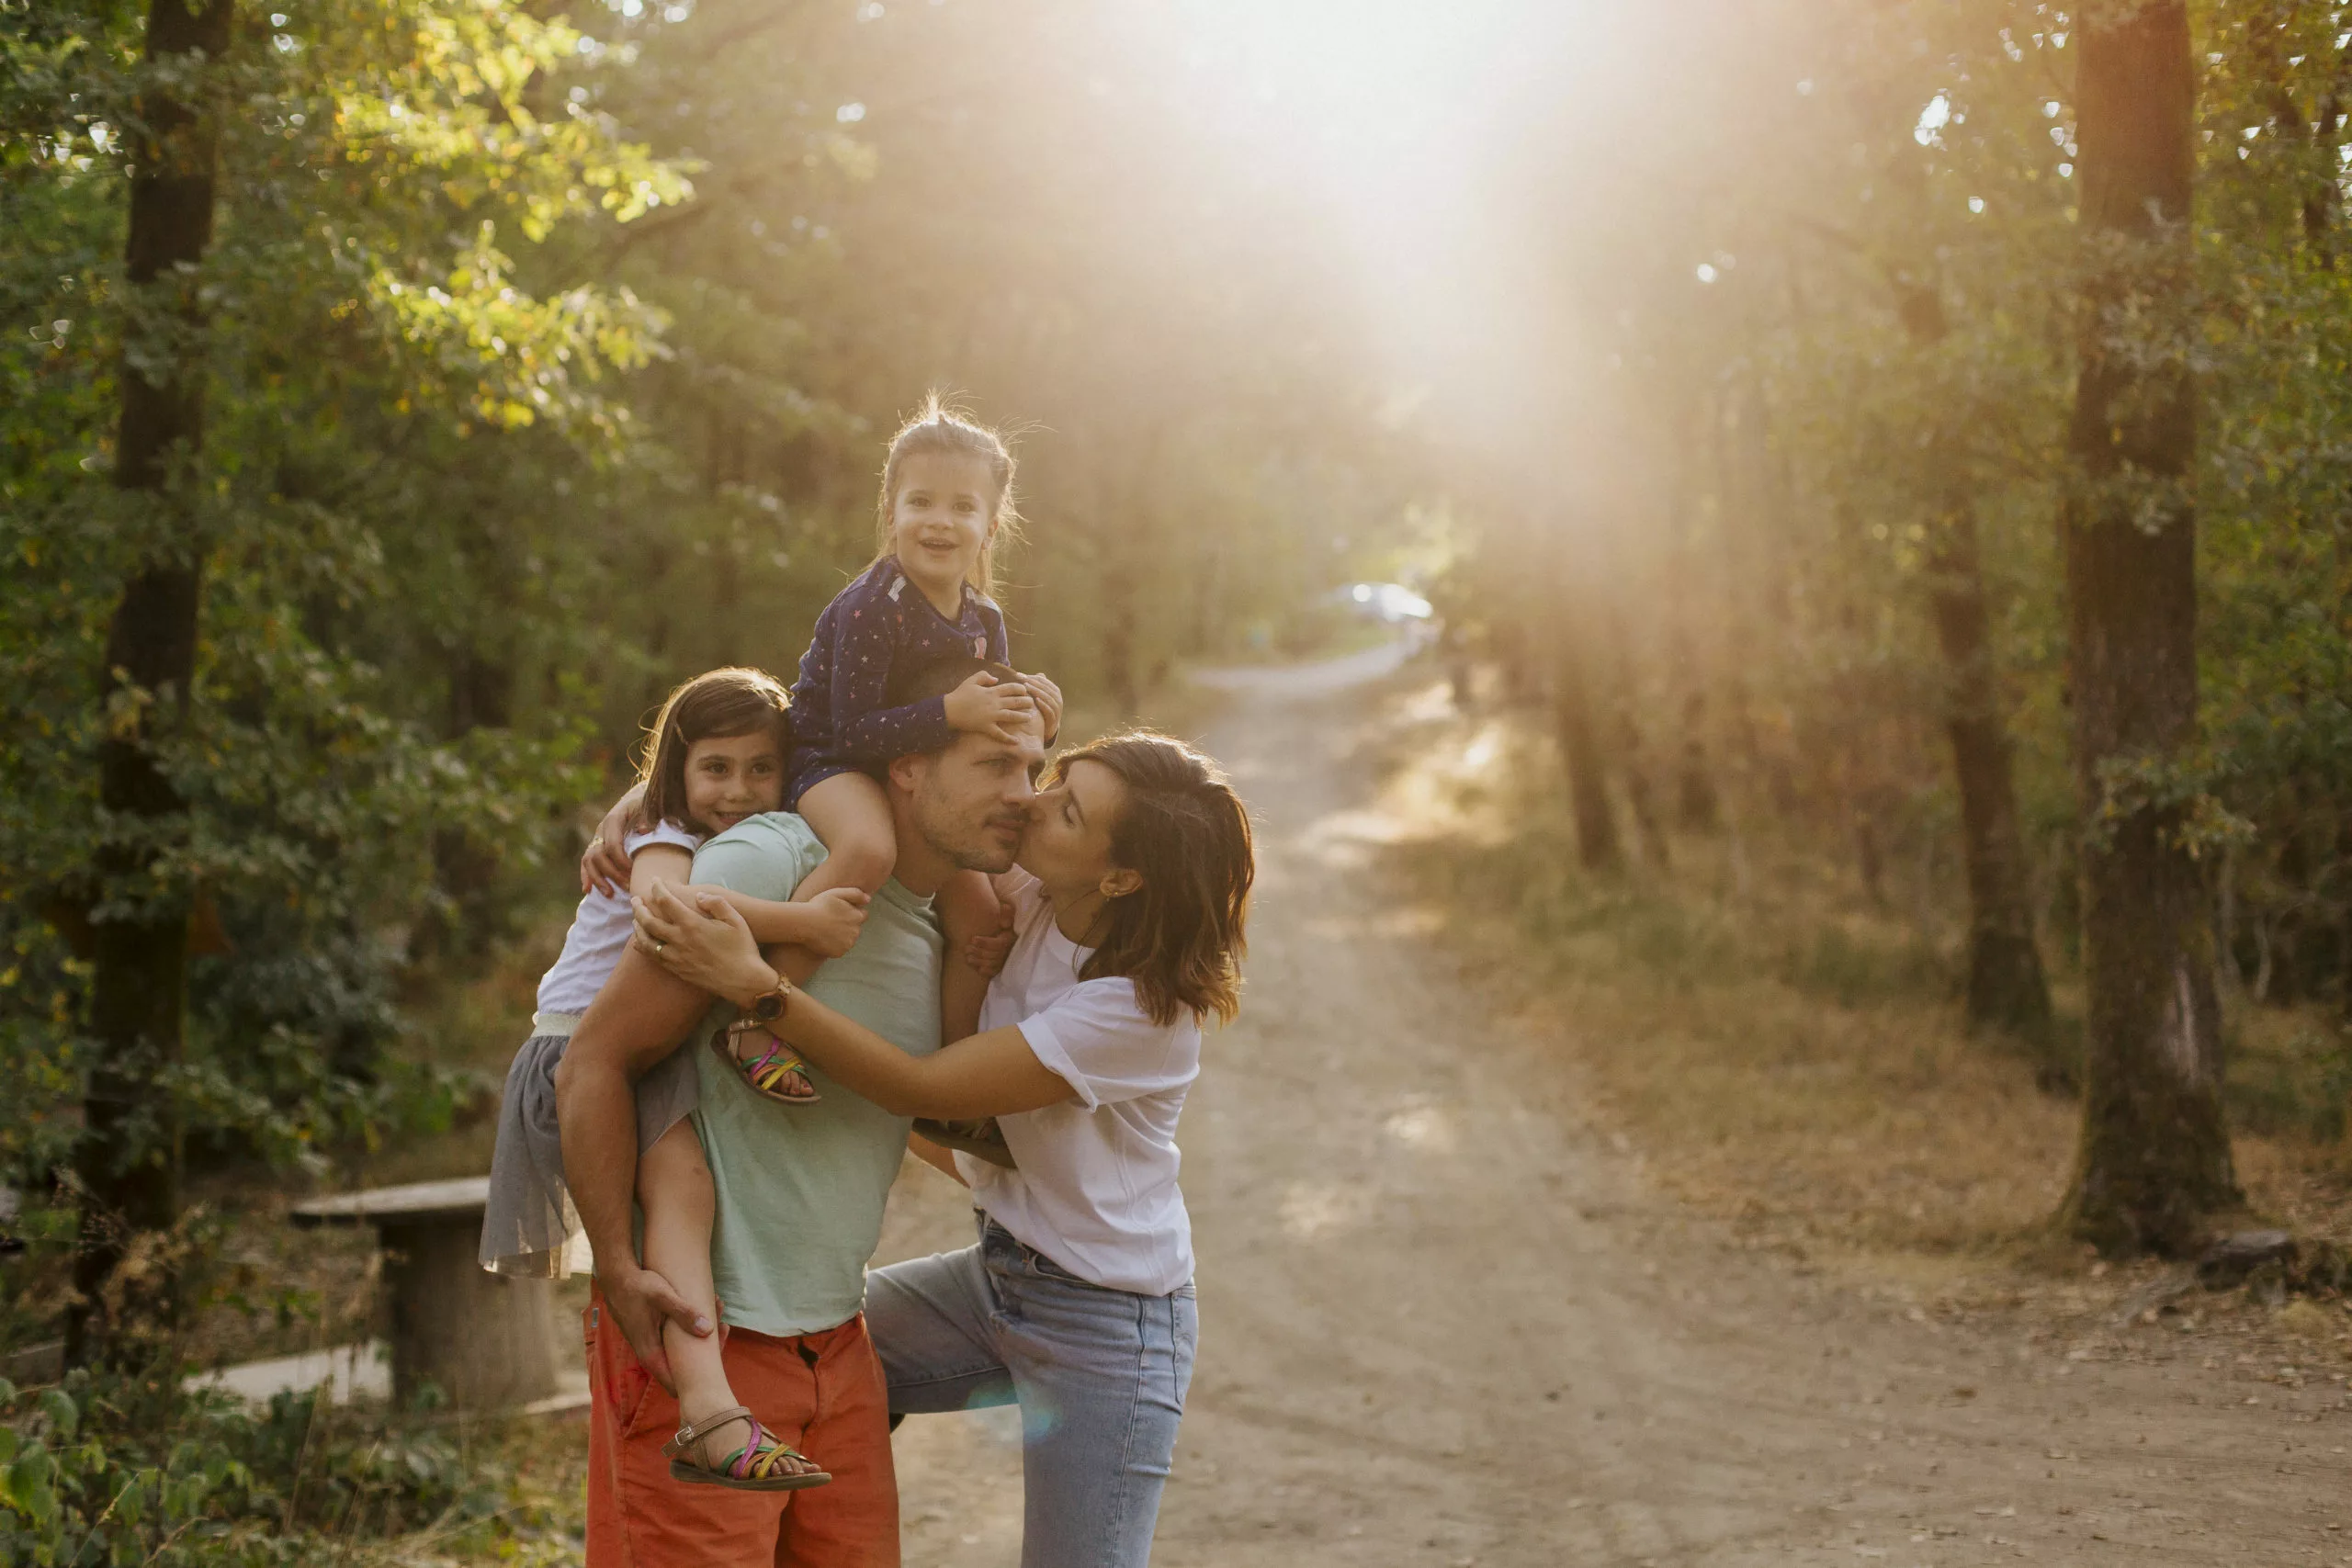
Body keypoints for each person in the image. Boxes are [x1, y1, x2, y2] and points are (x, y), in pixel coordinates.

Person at [634, 728, 1255, 1568]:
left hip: (1110, 1324)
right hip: (998, 1277)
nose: (1033, 798)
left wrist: (757, 986)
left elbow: (923, 1088)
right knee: (807, 1360)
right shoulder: (1036, 890)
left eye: (1066, 808)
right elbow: (885, 765)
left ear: (1120, 875)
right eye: (1057, 775)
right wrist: (650, 820)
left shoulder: (1141, 1012)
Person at [555, 652, 1046, 1568]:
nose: (1021, 792)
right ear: (907, 763)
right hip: (705, 1339)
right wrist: (616, 1267)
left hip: (838, 1339)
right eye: (992, 765)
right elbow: (593, 1059)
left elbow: (918, 1107)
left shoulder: (946, 917)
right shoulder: (770, 859)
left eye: (1031, 768)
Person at [480, 667, 868, 1491]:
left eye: (762, 768)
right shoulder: (666, 836)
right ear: (679, 773)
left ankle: (711, 1409)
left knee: (688, 1192)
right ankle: (709, 1409)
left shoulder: (697, 825)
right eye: (716, 769)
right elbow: (668, 909)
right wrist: (807, 922)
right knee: (684, 1193)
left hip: (634, 1054)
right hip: (575, 1051)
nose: (739, 789)